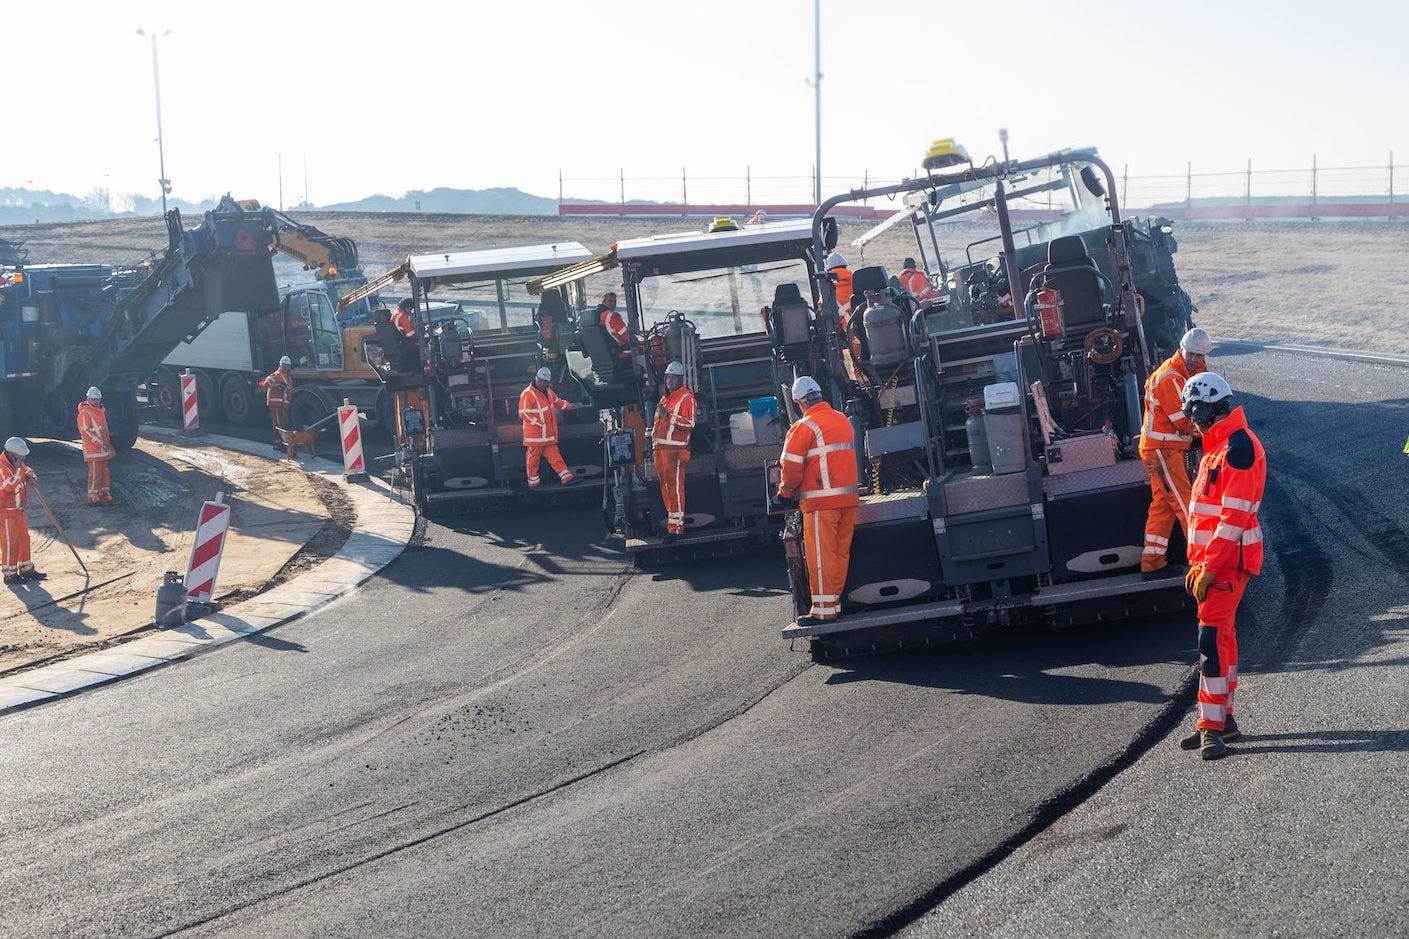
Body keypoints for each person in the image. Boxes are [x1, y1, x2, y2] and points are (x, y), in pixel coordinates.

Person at [1176, 372, 1265, 760]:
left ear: (1203, 410)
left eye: (1192, 415)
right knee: (1223, 639)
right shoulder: (1220, 446)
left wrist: (1209, 567)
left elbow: (1233, 519)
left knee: (1210, 642)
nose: (1192, 424)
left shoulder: (1237, 448)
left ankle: (1210, 728)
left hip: (1227, 563)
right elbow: (1209, 517)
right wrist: (1199, 564)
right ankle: (1223, 721)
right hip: (1215, 562)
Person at [776, 376, 859, 626]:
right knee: (839, 554)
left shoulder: (803, 427)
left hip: (822, 504)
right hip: (847, 500)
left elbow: (791, 467)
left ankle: (823, 612)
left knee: (822, 558)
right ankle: (833, 605)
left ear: (798, 402)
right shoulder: (842, 420)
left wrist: (784, 493)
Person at [1138, 327, 1213, 576]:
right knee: (1186, 504)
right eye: (1191, 354)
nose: (1195, 360)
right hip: (1163, 450)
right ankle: (1203, 563)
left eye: (1199, 356)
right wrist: (1211, 431)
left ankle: (1152, 562)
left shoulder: (1186, 373)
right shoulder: (1170, 377)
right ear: (1181, 349)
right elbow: (1182, 422)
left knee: (1163, 506)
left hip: (1162, 450)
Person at [651, 362, 696, 538]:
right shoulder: (665, 399)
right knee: (666, 489)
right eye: (668, 377)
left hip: (674, 452)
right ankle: (672, 525)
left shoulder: (686, 398)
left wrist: (669, 416)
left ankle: (676, 530)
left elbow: (689, 423)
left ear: (681, 379)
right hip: (660, 451)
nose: (670, 381)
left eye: (674, 378)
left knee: (675, 490)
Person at [519, 367, 577, 488]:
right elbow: (523, 413)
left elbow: (558, 402)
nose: (542, 383)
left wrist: (571, 406)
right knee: (533, 460)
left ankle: (566, 478)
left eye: (545, 381)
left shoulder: (549, 392)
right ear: (536, 378)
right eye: (540, 380)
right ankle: (533, 484)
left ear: (548, 382)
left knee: (555, 457)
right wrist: (539, 423)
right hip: (535, 437)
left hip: (547, 435)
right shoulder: (527, 394)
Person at [1, 437, 42, 585]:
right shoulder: (2, 468)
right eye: (21, 457)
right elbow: (8, 487)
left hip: (19, 511)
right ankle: (10, 574)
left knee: (24, 540)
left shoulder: (17, 463)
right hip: (6, 513)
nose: (23, 459)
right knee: (10, 543)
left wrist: (31, 476)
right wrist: (19, 471)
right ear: (12, 455)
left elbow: (27, 470)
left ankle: (26, 568)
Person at [76, 386, 114, 505]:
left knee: (104, 473)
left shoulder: (100, 411)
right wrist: (100, 443)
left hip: (102, 449)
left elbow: (103, 430)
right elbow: (85, 431)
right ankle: (92, 497)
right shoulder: (85, 413)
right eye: (93, 399)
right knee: (95, 475)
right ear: (88, 399)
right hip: (93, 450)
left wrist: (107, 444)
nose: (96, 401)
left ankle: (103, 494)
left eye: (97, 399)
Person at [261, 355, 294, 451]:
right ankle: (277, 444)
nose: (287, 367)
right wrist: (277, 385)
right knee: (278, 424)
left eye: (288, 366)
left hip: (283, 404)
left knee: (284, 423)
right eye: (285, 365)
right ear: (281, 365)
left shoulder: (288, 377)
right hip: (276, 403)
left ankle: (283, 442)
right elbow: (266, 384)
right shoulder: (276, 375)